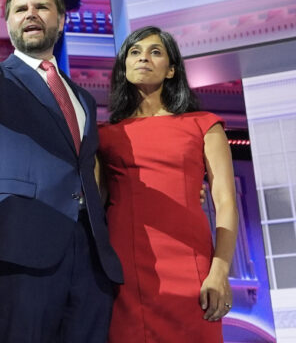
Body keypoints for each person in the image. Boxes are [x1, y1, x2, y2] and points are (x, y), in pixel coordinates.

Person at [0, 0, 122, 342]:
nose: (31, 14)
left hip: (91, 257)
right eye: (20, 9)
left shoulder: (84, 99)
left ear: (61, 20)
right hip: (22, 249)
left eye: (41, 7)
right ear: (9, 21)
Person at [97, 26, 238, 342]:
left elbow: (226, 202)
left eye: (155, 52)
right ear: (123, 67)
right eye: (134, 52)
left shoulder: (204, 125)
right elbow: (96, 200)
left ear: (172, 69)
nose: (143, 57)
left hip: (192, 268)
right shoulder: (104, 135)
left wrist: (219, 270)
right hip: (126, 271)